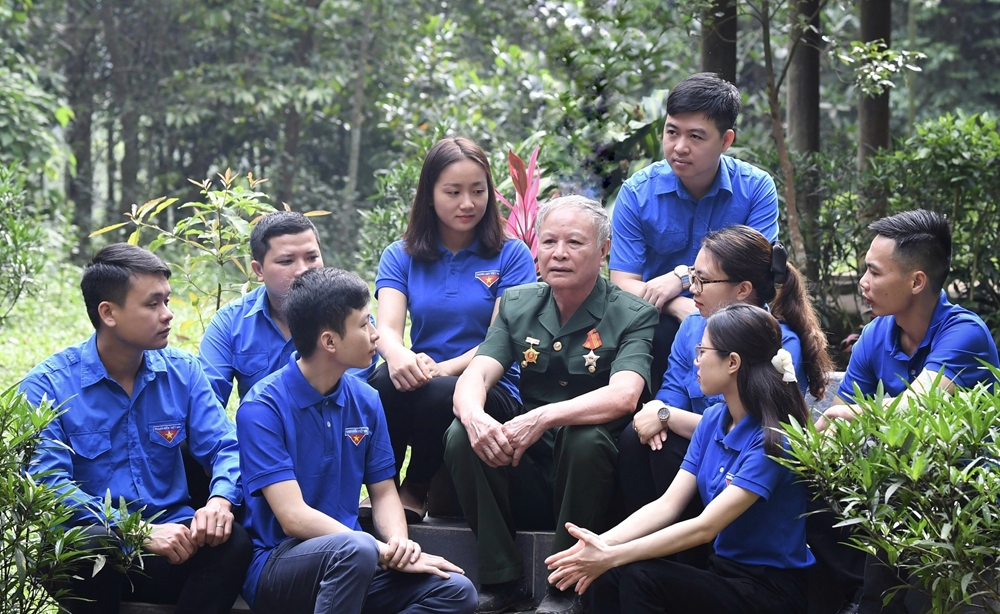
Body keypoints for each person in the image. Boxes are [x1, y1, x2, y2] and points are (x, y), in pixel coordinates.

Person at [444, 195, 659, 614]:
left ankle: (565, 589)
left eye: (575, 243)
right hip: (527, 464)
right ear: (535, 250)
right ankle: (501, 579)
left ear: (603, 250)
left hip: (590, 480)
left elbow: (625, 394)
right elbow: (478, 372)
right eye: (548, 242)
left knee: (584, 438)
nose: (559, 253)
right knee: (461, 433)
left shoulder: (633, 314)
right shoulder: (517, 302)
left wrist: (542, 417)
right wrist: (473, 416)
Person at [21, 243, 251, 614]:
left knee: (233, 542)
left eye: (167, 301)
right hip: (94, 549)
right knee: (91, 544)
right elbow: (48, 487)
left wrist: (220, 501)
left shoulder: (182, 371)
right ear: (108, 313)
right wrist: (136, 532)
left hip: (176, 545)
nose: (168, 315)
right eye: (153, 304)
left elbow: (226, 446)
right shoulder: (48, 386)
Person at [235, 267, 476, 614]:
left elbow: (383, 492)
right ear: (329, 341)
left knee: (456, 591)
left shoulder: (366, 399)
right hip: (280, 566)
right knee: (357, 549)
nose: (376, 334)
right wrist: (373, 548)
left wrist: (398, 544)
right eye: (364, 324)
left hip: (356, 561)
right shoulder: (262, 408)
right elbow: (292, 517)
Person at [546, 303, 815, 614]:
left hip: (770, 591)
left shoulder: (773, 439)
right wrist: (598, 546)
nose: (696, 360)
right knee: (607, 577)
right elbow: (667, 505)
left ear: (733, 362)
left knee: (639, 576)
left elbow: (705, 527)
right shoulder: (714, 419)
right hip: (723, 574)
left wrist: (614, 554)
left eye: (702, 351)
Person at [815, 209, 1000, 614]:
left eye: (874, 273)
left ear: (917, 281)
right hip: (897, 499)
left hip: (970, 515)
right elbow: (833, 424)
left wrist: (845, 416)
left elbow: (912, 408)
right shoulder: (875, 334)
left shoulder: (964, 333)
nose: (863, 283)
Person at [367, 137, 536, 522]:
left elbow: (501, 340)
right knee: (380, 384)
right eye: (453, 192)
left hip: (490, 386)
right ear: (429, 195)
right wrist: (398, 356)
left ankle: (416, 487)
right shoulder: (401, 254)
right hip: (425, 374)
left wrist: (441, 370)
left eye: (478, 191)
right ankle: (383, 489)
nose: (468, 203)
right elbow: (388, 328)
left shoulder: (512, 255)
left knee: (439, 392)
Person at [618, 224, 830, 516]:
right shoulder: (692, 327)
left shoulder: (779, 343)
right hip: (699, 449)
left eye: (703, 280)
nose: (693, 288)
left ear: (743, 289)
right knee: (638, 438)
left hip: (748, 464)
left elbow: (749, 431)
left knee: (668, 449)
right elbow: (671, 392)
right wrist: (657, 409)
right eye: (693, 276)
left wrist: (666, 416)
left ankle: (689, 552)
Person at [609, 72, 779, 387]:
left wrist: (682, 278)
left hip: (735, 314)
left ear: (726, 140)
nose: (679, 147)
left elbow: (757, 274)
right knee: (653, 335)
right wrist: (676, 304)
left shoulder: (755, 188)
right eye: (672, 132)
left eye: (696, 137)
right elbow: (622, 283)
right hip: (658, 318)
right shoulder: (637, 192)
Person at [199, 211, 377, 409]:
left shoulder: (353, 320)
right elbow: (206, 405)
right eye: (286, 261)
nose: (302, 270)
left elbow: (351, 400)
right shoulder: (230, 323)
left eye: (311, 257)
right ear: (258, 270)